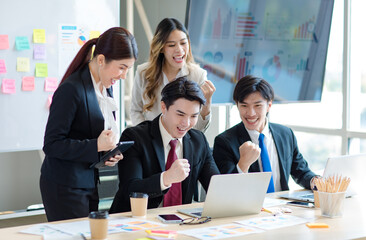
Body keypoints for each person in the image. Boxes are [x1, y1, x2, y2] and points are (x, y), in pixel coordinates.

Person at [40, 27, 138, 221]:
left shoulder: (104, 86)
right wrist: (96, 146)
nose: (124, 75)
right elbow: (52, 145)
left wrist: (106, 154)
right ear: (101, 60)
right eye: (122, 67)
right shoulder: (71, 89)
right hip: (65, 186)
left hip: (88, 182)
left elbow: (86, 135)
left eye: (128, 69)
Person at [110, 77, 220, 213]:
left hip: (180, 222)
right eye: (180, 114)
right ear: (164, 107)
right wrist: (166, 178)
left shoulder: (198, 141)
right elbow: (130, 189)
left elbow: (216, 186)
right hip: (135, 220)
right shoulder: (135, 137)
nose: (186, 123)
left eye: (193, 116)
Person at [213, 75, 317, 192]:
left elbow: (301, 171)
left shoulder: (286, 134)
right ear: (237, 105)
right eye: (244, 106)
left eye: (257, 105)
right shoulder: (224, 141)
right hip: (248, 209)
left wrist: (317, 181)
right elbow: (225, 190)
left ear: (269, 105)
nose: (251, 113)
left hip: (282, 207)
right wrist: (243, 164)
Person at [130, 18, 215, 132]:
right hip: (151, 142)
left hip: (183, 144)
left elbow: (199, 130)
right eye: (171, 45)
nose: (180, 50)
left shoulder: (198, 75)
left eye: (183, 43)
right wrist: (146, 136)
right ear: (161, 48)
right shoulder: (143, 73)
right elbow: (136, 111)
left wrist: (207, 103)